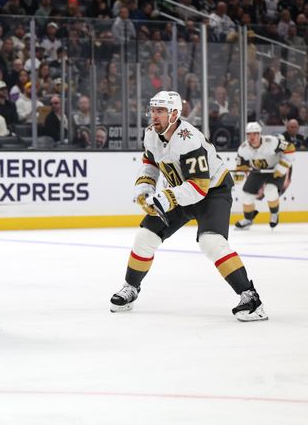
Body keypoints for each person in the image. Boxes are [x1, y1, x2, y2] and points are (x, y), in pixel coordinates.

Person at [110, 91, 267, 322]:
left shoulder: (188, 139)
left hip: (212, 192)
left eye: (160, 111)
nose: (154, 115)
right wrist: (145, 186)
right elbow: (151, 163)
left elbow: (200, 186)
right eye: (153, 110)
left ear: (174, 113)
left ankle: (251, 298)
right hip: (182, 190)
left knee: (211, 241)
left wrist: (165, 198)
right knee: (145, 236)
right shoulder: (151, 134)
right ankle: (131, 287)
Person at [233, 122, 296, 229]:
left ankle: (274, 214)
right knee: (246, 196)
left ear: (260, 134)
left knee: (270, 191)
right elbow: (241, 165)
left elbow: (290, 148)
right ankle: (248, 219)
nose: (252, 137)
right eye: (249, 134)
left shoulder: (272, 141)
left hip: (275, 170)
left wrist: (282, 167)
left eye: (255, 134)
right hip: (257, 171)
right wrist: (239, 172)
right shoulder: (243, 148)